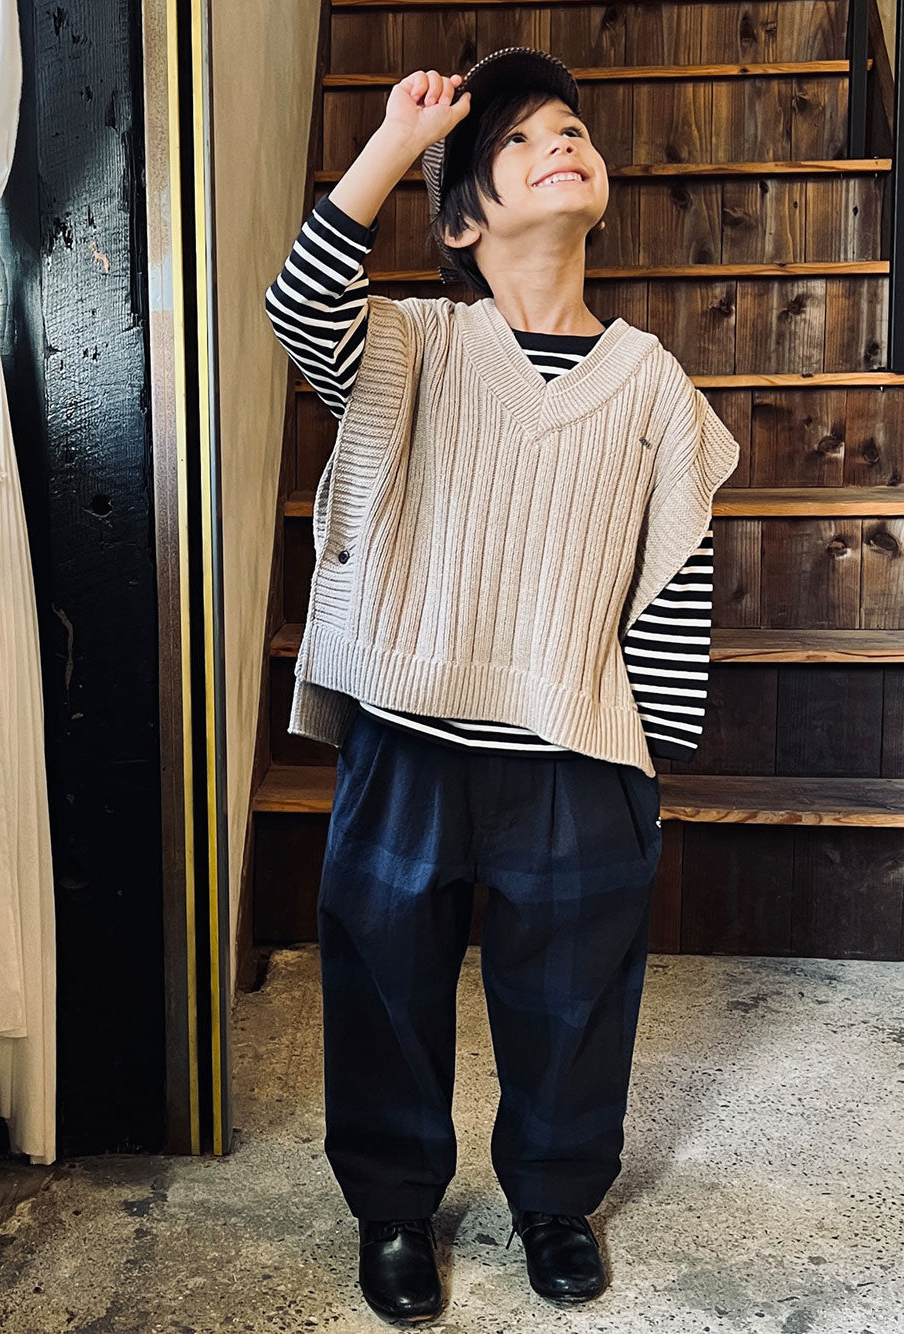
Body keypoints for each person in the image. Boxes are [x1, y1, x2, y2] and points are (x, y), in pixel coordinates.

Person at [263, 48, 739, 1326]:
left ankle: (553, 1197)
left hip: (572, 747)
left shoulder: (651, 382)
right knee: (382, 978)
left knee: (574, 995)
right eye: (519, 139)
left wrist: (645, 755)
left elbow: (675, 573)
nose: (560, 142)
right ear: (463, 224)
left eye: (571, 128)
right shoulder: (412, 342)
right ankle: (393, 1206)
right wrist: (397, 145)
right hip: (407, 731)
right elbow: (298, 305)